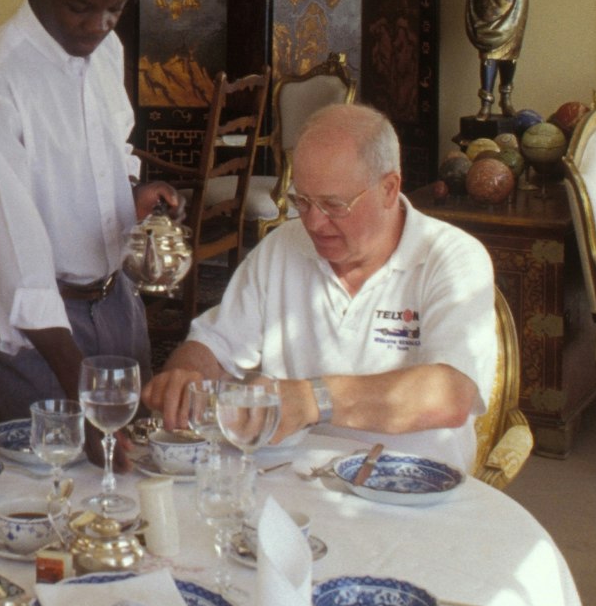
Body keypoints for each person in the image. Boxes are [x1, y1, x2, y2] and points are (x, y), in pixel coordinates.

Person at [141, 103, 498, 474]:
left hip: (414, 489)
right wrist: (187, 374)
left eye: (333, 205)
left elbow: (452, 394)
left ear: (389, 188)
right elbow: (215, 345)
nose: (313, 223)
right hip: (291, 481)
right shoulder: (283, 246)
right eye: (302, 201)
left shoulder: (452, 258)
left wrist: (312, 399)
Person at [0, 0, 182, 434]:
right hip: (34, 327)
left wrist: (134, 194)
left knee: (133, 461)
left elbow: (112, 149)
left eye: (114, 10)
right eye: (80, 8)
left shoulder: (106, 51)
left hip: (115, 301)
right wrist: (82, 385)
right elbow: (13, 251)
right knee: (39, 476)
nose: (98, 26)